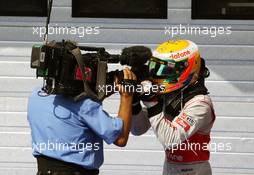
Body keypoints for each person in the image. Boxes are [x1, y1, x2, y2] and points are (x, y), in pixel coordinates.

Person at [27, 68, 136, 175]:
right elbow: (120, 138)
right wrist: (127, 96)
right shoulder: (84, 105)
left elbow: (74, 118)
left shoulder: (36, 95)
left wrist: (96, 96)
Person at [131, 40, 215, 175]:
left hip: (194, 170)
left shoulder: (200, 103)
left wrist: (151, 101)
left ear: (186, 69)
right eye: (155, 67)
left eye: (166, 69)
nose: (157, 75)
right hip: (170, 168)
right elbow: (138, 129)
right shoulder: (169, 95)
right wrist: (134, 102)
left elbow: (170, 140)